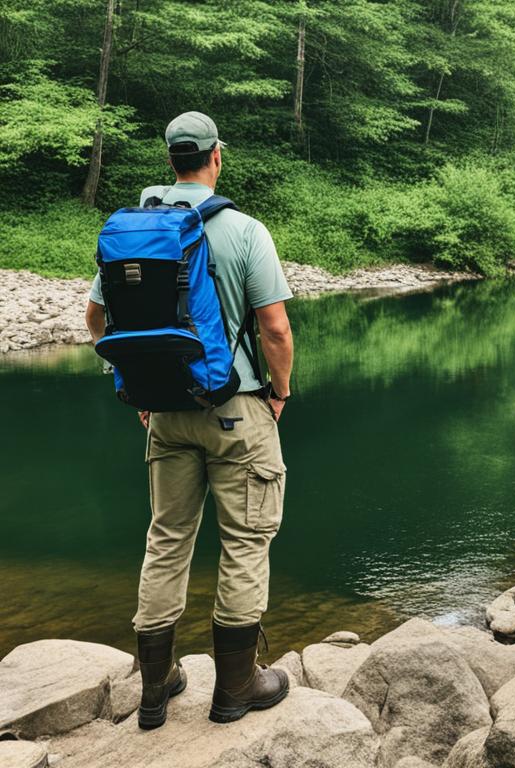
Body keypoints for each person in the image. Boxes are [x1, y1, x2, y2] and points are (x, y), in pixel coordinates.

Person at [85, 111, 295, 727]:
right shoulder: (243, 229)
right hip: (237, 409)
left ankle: (156, 690)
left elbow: (98, 322)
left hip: (164, 414)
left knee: (167, 540)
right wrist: (279, 394)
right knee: (246, 541)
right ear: (216, 157)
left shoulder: (134, 230)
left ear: (170, 158)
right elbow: (275, 327)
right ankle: (235, 688)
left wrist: (140, 379)